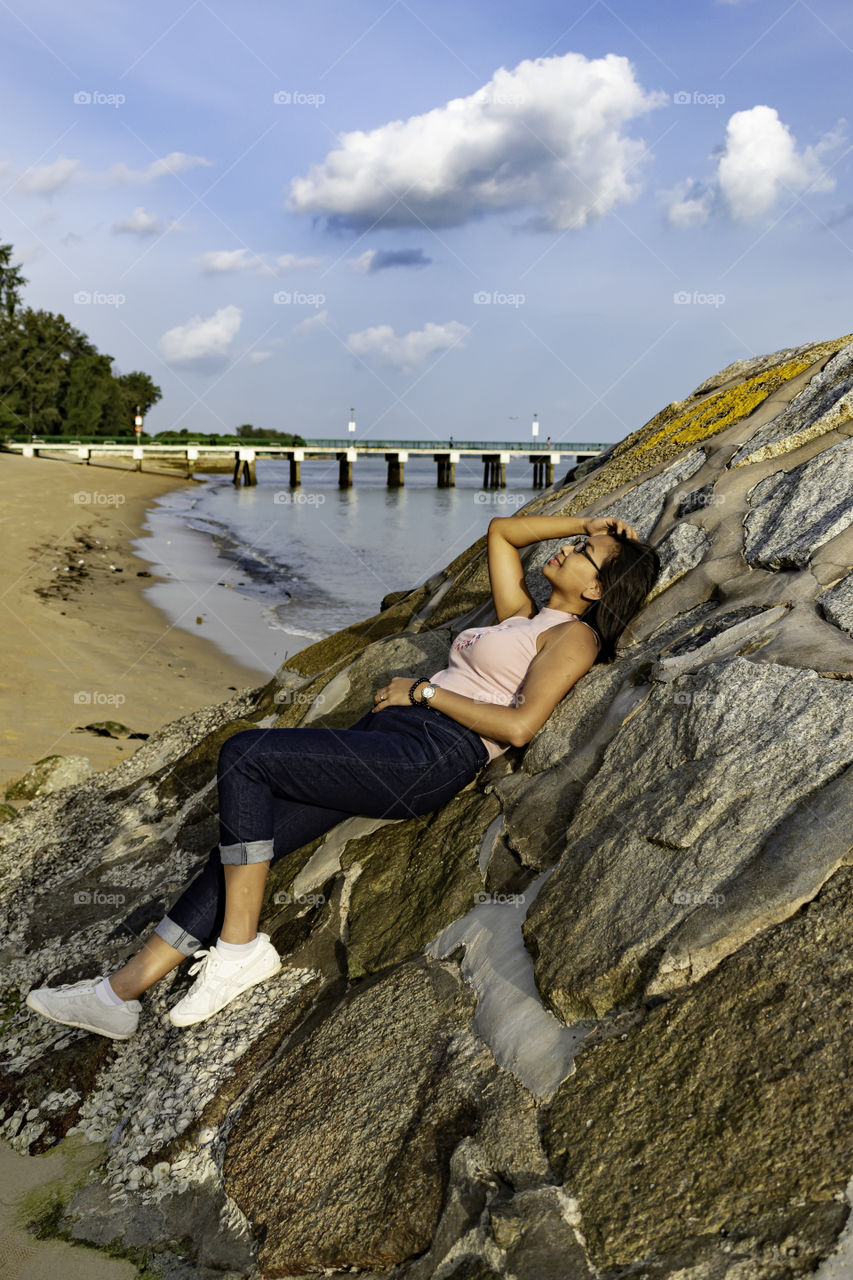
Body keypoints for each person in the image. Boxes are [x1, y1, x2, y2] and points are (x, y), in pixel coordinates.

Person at [26, 513, 660, 1040]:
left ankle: (241, 950)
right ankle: (121, 995)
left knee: (246, 755)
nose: (568, 548)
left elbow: (521, 726)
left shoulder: (573, 638)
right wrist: (588, 520)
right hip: (387, 738)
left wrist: (425, 692)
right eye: (577, 542)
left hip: (433, 756)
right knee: (245, 842)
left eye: (584, 553)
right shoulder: (521, 615)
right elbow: (501, 532)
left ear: (599, 591)